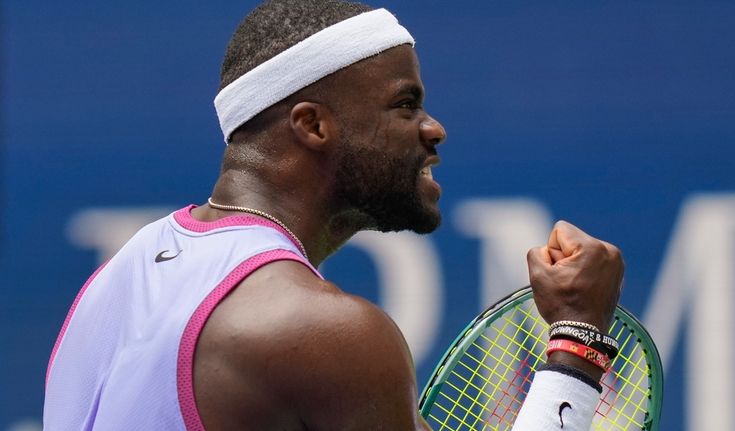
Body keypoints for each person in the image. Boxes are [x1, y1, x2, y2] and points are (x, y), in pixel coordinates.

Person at [43, 1, 624, 430]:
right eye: (404, 104)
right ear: (313, 125)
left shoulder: (114, 279)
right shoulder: (325, 335)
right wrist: (577, 339)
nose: (434, 128)